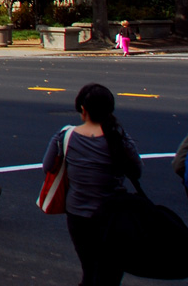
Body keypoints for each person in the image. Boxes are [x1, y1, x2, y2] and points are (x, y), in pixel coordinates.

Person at [43, 83, 141, 286]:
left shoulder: (65, 136)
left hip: (78, 215)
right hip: (113, 216)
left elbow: (48, 166)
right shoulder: (119, 138)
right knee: (110, 274)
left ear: (83, 110)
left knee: (89, 269)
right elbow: (137, 171)